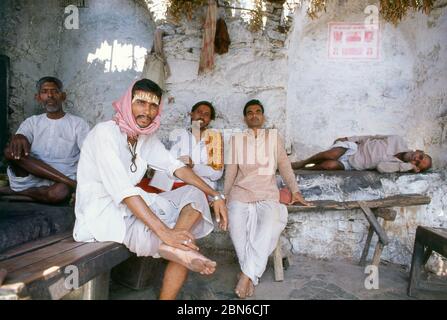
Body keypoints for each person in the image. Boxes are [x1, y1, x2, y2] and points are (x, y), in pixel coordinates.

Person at [73, 79, 228, 300]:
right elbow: (125, 192)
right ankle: (176, 250)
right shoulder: (104, 134)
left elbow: (176, 167)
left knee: (194, 196)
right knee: (187, 240)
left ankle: (175, 247)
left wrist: (215, 195)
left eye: (154, 105)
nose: (147, 110)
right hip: (105, 216)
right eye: (141, 102)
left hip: (137, 204)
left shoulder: (144, 137)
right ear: (128, 103)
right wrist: (166, 232)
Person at [224, 99, 311, 299]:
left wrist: (295, 191)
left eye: (257, 111)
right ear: (245, 117)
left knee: (268, 226)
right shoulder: (237, 140)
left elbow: (284, 165)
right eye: (249, 112)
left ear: (263, 116)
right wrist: (226, 198)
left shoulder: (273, 138)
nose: (254, 115)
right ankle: (251, 274)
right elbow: (230, 171)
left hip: (267, 193)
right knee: (236, 227)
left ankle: (245, 275)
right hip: (240, 193)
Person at [0, 76, 90, 204]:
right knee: (10, 151)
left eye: (55, 91)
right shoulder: (32, 122)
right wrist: (20, 137)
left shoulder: (78, 124)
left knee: (59, 193)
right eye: (44, 92)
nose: (50, 96)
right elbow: (19, 141)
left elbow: (89, 153)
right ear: (38, 98)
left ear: (63, 96)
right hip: (32, 175)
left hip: (62, 176)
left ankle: (14, 193)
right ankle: (71, 184)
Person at [148, 100, 223, 194]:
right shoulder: (180, 134)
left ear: (210, 120)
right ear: (191, 114)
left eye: (206, 114)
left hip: (199, 187)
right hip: (173, 183)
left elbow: (217, 174)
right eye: (199, 112)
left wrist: (194, 166)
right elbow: (170, 162)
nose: (202, 116)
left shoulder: (214, 139)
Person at [291, 135, 432, 173]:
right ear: (419, 151)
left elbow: (381, 167)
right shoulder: (397, 139)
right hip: (355, 148)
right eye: (420, 156)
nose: (416, 159)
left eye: (417, 163)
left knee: (329, 165)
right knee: (331, 154)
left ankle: (305, 169)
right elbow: (371, 136)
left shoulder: (399, 166)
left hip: (354, 164)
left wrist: (407, 167)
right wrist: (349, 139)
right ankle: (302, 163)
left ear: (416, 168)